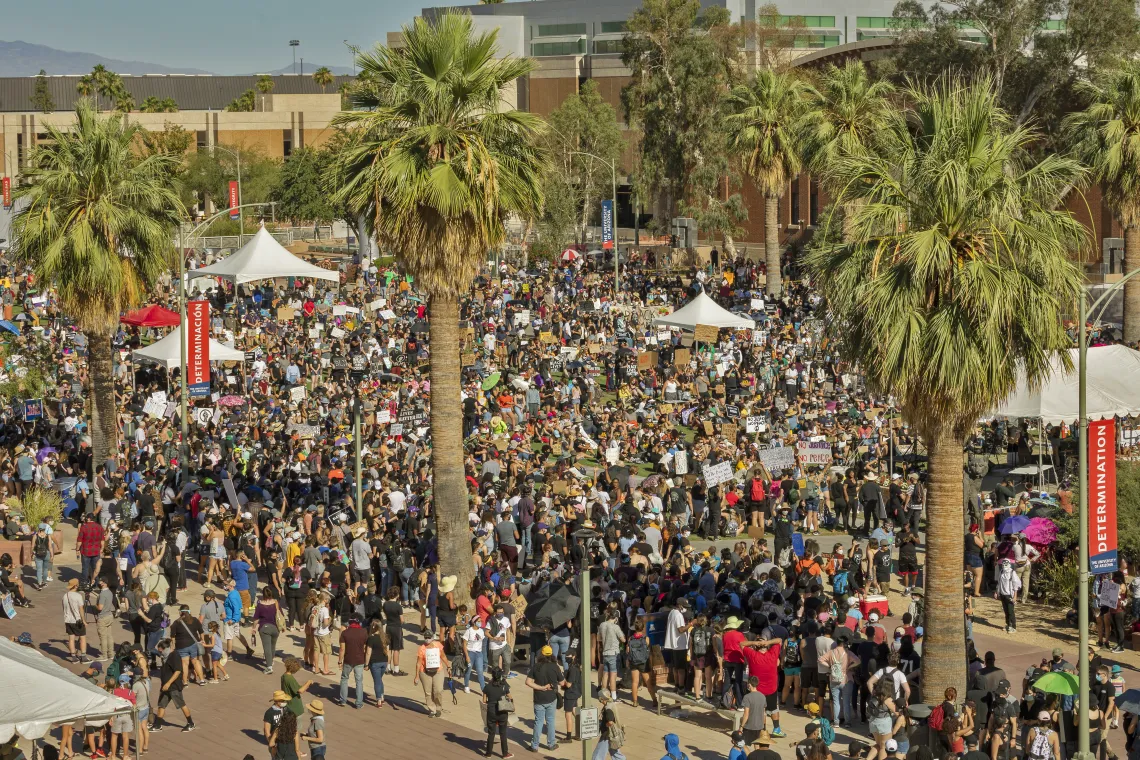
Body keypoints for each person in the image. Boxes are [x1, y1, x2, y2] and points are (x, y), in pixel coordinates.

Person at [151, 639, 195, 733]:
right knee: (161, 705)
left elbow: (178, 671)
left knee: (181, 704)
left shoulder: (174, 656)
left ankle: (191, 723)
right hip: (165, 686)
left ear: (166, 649)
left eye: (161, 651)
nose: (160, 653)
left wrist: (168, 683)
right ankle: (158, 725)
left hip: (174, 686)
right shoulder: (165, 656)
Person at [526, 645, 563, 752]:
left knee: (538, 721)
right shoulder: (555, 667)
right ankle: (551, 744)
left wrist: (541, 688)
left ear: (541, 654)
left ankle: (534, 746)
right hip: (551, 698)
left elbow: (528, 682)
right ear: (551, 655)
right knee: (550, 721)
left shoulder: (536, 666)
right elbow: (562, 682)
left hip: (539, 698)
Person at [337, 615, 369, 709]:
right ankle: (359, 703)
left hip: (348, 659)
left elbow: (342, 649)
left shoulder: (345, 633)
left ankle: (343, 700)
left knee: (344, 679)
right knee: (359, 681)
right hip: (360, 660)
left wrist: (340, 661)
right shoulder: (364, 632)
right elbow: (366, 648)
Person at [414, 631, 448, 717]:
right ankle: (432, 709)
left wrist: (448, 666)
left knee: (438, 690)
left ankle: (438, 707)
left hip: (438, 671)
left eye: (429, 637)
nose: (427, 639)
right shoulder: (422, 648)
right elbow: (418, 663)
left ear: (433, 638)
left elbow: (443, 656)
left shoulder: (438, 645)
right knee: (428, 692)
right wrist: (417, 676)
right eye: (426, 637)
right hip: (425, 672)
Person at [482, 666, 514, 758]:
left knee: (491, 733)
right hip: (502, 712)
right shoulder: (504, 686)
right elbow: (510, 697)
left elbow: (484, 700)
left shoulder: (487, 687)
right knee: (503, 733)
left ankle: (488, 753)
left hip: (491, 712)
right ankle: (505, 753)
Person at [253, 586, 284, 674]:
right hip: (275, 628)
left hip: (264, 628)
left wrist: (253, 628)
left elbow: (256, 619)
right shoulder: (276, 603)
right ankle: (271, 660)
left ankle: (269, 667)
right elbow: (281, 615)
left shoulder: (260, 605)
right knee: (272, 646)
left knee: (267, 647)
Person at [364, 620, 391, 708]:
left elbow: (368, 652)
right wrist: (388, 663)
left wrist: (366, 664)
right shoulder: (385, 637)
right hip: (384, 661)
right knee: (379, 679)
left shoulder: (371, 638)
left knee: (377, 681)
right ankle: (382, 696)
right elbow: (388, 651)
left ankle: (379, 700)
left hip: (375, 662)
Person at [593, 689, 626, 760]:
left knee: (597, 756)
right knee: (616, 754)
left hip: (607, 735)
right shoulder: (611, 703)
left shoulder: (608, 708)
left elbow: (610, 721)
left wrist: (605, 726)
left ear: (601, 698)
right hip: (613, 734)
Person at [62, 578, 89, 663]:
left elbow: (64, 608)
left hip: (68, 620)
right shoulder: (78, 596)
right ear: (76, 585)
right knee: (82, 637)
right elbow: (81, 609)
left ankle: (73, 657)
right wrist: (84, 620)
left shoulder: (65, 596)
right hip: (77, 620)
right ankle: (83, 657)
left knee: (71, 638)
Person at [94, 577, 116, 661]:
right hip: (109, 615)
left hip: (103, 617)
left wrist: (95, 605)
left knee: (103, 637)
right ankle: (111, 653)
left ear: (104, 583)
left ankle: (104, 655)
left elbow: (100, 607)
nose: (99, 583)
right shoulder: (109, 592)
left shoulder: (103, 594)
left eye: (100, 581)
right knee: (109, 636)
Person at [463, 616, 487, 693]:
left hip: (479, 654)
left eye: (481, 621)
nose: (480, 623)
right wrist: (467, 656)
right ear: (474, 622)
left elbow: (482, 642)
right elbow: (464, 644)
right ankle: (466, 685)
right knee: (468, 670)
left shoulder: (481, 631)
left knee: (480, 672)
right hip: (470, 653)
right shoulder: (469, 631)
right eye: (478, 621)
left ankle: (484, 690)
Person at [264, 691, 289, 759]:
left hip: (286, 742)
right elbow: (267, 732)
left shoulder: (286, 709)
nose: (284, 702)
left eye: (284, 700)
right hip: (275, 743)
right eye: (282, 700)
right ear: (276, 701)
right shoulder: (269, 713)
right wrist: (272, 746)